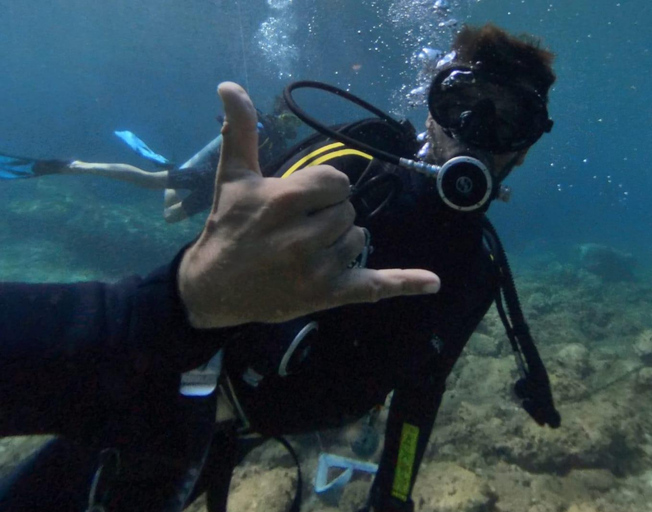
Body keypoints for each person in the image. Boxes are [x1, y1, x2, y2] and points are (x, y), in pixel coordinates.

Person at [0, 82, 441, 511]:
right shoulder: (273, 134)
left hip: (201, 372)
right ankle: (69, 166)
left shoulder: (283, 138)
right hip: (218, 195)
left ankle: (103, 165)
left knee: (168, 201)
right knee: (159, 184)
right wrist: (188, 297)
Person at [189, 23, 561, 512]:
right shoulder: (348, 171)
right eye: (460, 102)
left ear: (526, 146)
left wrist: (394, 494)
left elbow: (422, 389)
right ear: (431, 111)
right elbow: (214, 272)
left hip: (262, 426)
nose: (475, 131)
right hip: (189, 400)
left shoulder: (478, 271)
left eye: (510, 118)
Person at [0, 100, 301, 223]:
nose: (290, 126)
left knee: (170, 217)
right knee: (150, 180)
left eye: (294, 124)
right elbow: (227, 132)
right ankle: (78, 165)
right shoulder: (260, 127)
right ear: (279, 112)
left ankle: (170, 169)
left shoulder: (277, 143)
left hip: (222, 186)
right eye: (288, 119)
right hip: (212, 173)